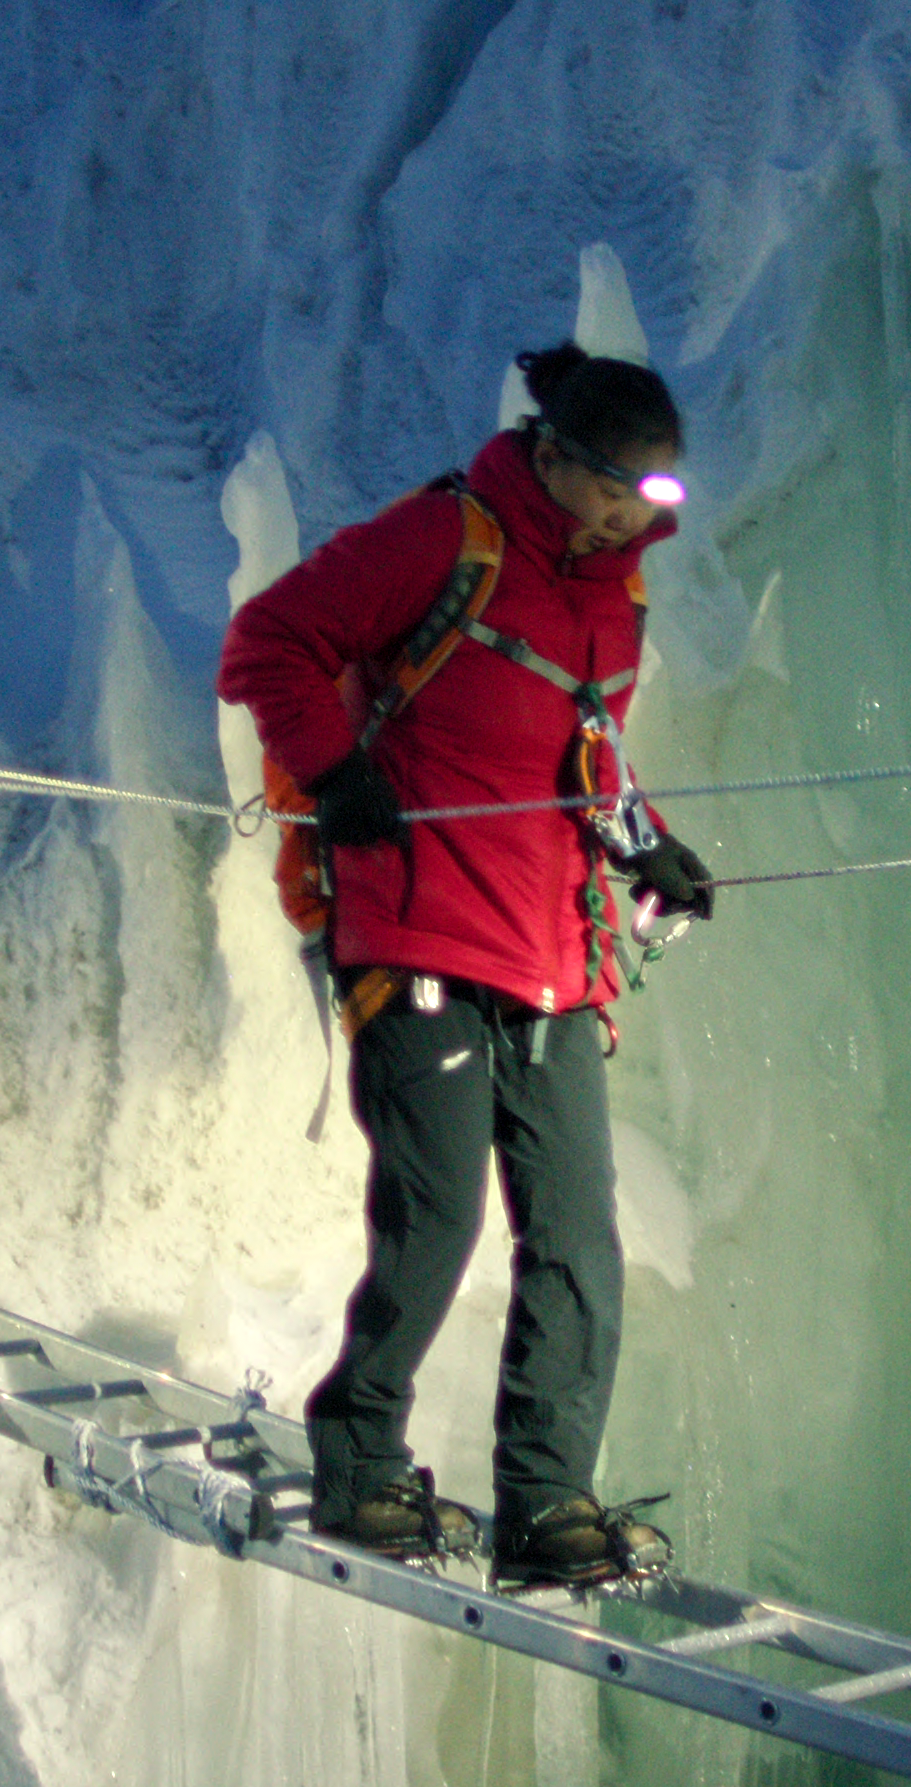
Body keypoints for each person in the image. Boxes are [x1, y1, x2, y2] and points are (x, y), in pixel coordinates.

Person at [219, 343, 716, 1590]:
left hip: (554, 961)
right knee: (437, 1217)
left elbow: (581, 756)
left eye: (658, 497)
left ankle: (546, 1510)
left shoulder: (614, 600)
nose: (631, 514)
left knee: (575, 1245)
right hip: (416, 932)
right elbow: (270, 641)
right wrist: (338, 776)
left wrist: (649, 850)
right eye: (618, 488)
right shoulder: (448, 540)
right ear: (552, 456)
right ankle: (359, 1460)